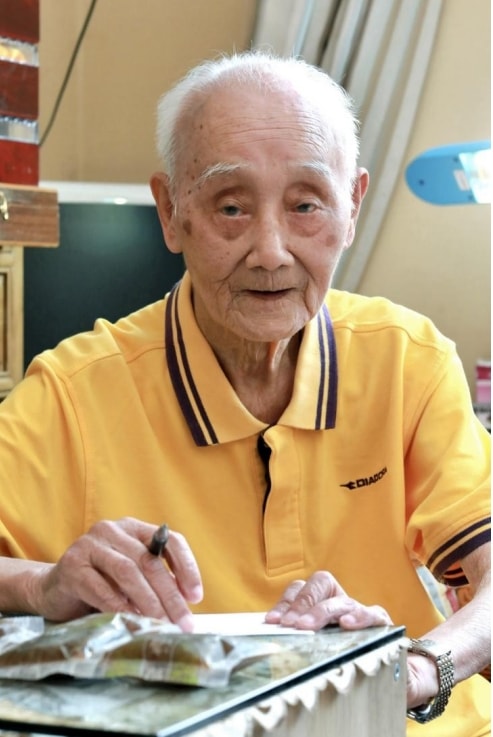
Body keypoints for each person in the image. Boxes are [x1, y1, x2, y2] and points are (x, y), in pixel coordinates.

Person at [0, 50, 489, 735]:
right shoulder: (73, 393)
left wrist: (412, 667)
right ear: (170, 211)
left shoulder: (408, 358)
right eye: (230, 206)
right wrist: (42, 586)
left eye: (305, 205)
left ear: (351, 206)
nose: (270, 251)